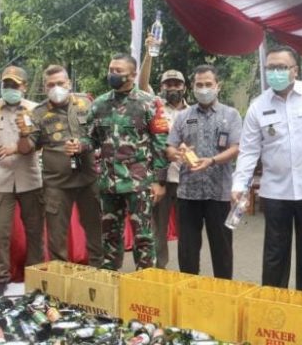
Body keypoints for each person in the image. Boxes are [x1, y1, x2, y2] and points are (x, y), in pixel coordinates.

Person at [232, 45, 302, 292]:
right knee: (274, 256)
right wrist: (239, 185)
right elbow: (249, 150)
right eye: (271, 68)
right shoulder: (258, 106)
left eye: (281, 67)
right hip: (275, 192)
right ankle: (273, 309)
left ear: (295, 70)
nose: (275, 73)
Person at [77, 54, 169, 270]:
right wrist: (79, 145)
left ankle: (145, 283)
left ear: (133, 74)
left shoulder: (149, 104)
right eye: (111, 69)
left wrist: (159, 181)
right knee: (109, 236)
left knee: (143, 237)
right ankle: (110, 281)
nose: (113, 74)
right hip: (109, 184)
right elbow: (91, 138)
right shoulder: (99, 104)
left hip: (139, 184)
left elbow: (160, 144)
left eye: (118, 70)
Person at [17, 65, 103, 267]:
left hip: (88, 180)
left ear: (69, 83)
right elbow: (27, 148)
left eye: (60, 83)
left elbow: (100, 135)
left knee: (96, 230)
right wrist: (22, 134)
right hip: (56, 185)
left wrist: (82, 145)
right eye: (51, 85)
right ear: (45, 88)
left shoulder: (87, 103)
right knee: (56, 238)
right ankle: (60, 285)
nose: (56, 88)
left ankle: (100, 274)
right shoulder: (37, 113)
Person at [0, 66, 44, 297]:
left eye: (14, 85)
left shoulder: (35, 110)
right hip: (0, 179)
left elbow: (37, 143)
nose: (9, 89)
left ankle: (35, 275)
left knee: (34, 230)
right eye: (6, 84)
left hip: (30, 179)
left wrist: (16, 146)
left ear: (24, 86)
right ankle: (0, 278)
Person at [167, 65, 241, 278]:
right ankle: (189, 293)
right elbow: (170, 147)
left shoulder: (231, 115)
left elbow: (237, 148)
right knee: (187, 252)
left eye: (208, 84)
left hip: (219, 193)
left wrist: (212, 160)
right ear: (193, 87)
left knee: (222, 251)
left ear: (218, 86)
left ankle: (224, 293)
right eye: (199, 85)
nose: (204, 89)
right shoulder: (183, 116)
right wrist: (177, 153)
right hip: (188, 194)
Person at [138, 35, 190, 268]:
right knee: (158, 228)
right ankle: (161, 268)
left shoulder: (193, 112)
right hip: (160, 178)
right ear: (161, 88)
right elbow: (141, 83)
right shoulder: (154, 105)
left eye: (176, 84)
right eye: (168, 84)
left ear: (184, 87)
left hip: (187, 177)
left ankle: (186, 269)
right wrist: (149, 52)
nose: (172, 88)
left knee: (187, 228)